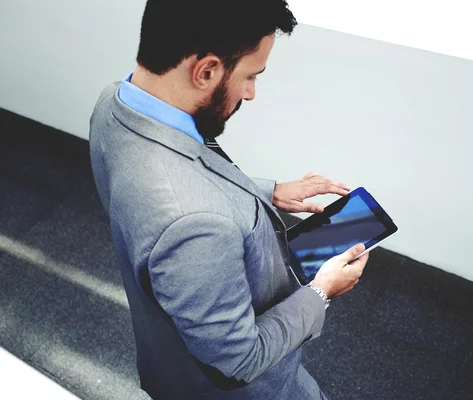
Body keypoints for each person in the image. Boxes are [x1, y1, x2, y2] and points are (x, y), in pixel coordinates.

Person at [89, 1, 369, 399]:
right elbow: (240, 361)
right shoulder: (194, 223)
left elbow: (179, 176)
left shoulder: (114, 103)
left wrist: (269, 191)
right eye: (251, 76)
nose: (251, 93)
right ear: (206, 71)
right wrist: (322, 290)